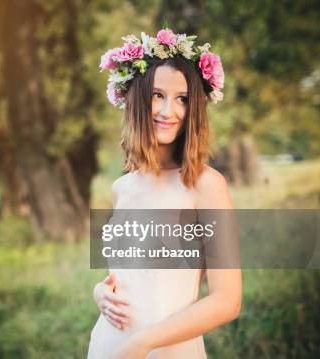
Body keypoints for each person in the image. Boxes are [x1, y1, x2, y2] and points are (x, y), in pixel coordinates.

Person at [87, 29, 242, 359]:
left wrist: (142, 344)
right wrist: (99, 291)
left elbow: (227, 301)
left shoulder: (206, 185)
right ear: (135, 98)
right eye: (157, 95)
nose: (168, 111)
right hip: (108, 346)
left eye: (182, 99)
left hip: (163, 352)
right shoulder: (121, 187)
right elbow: (129, 274)